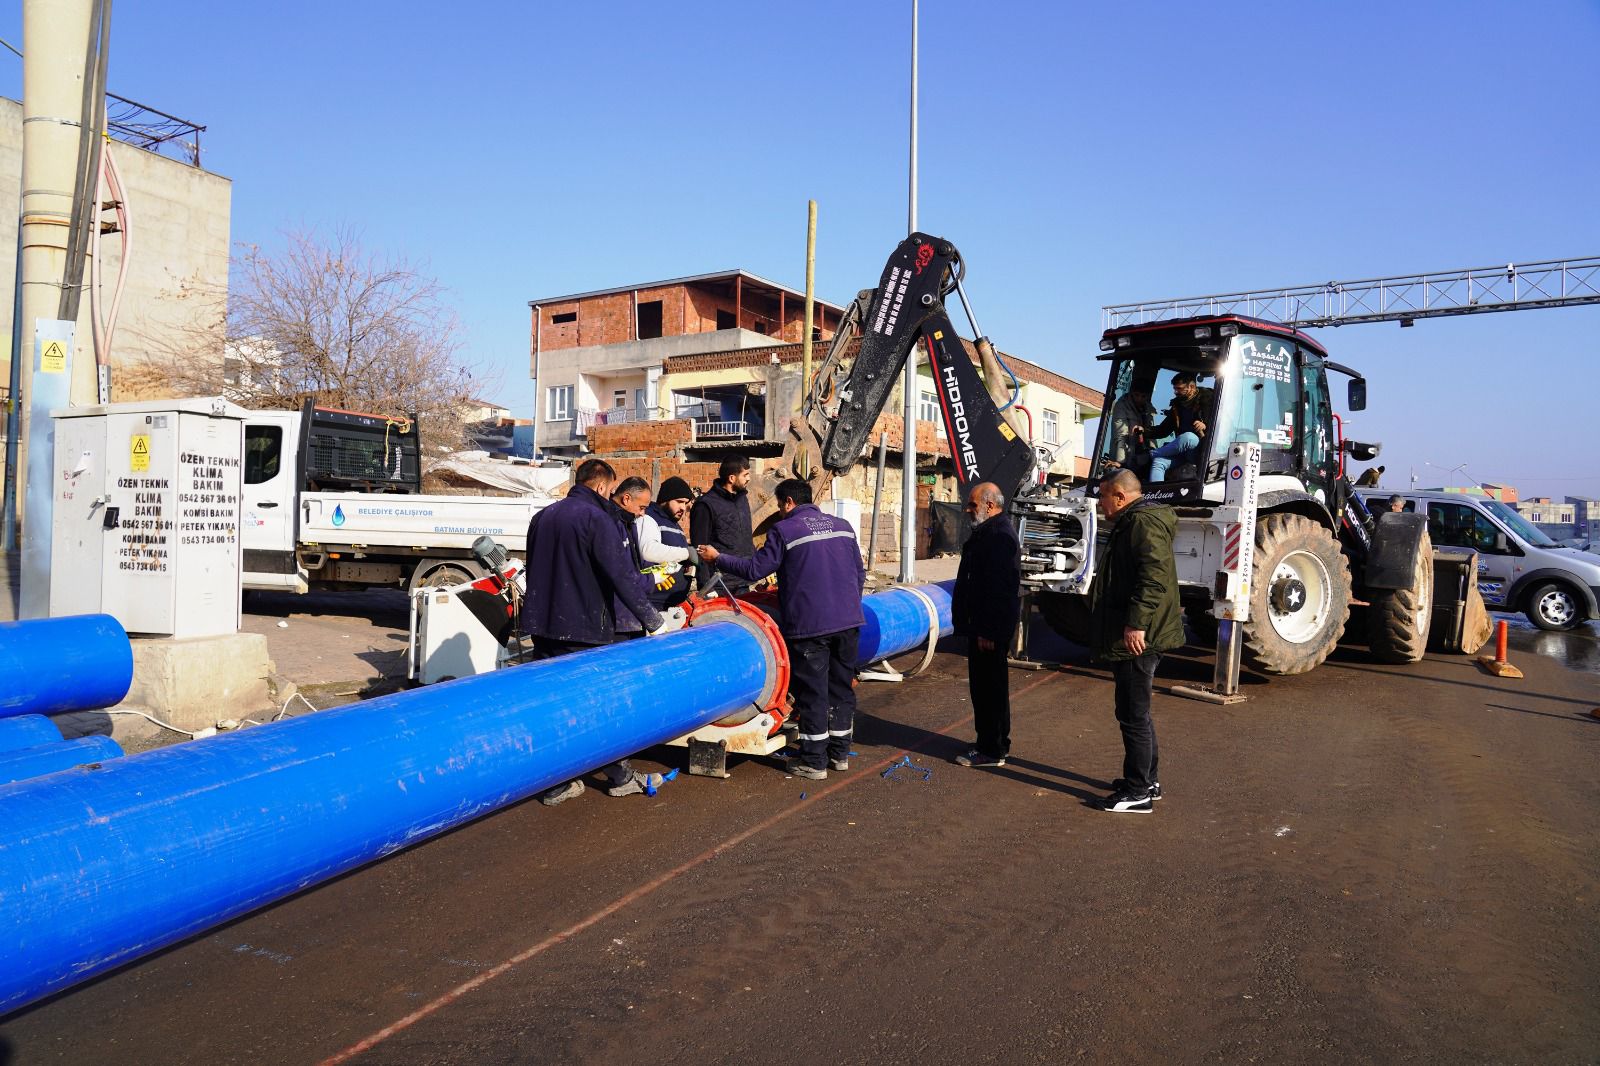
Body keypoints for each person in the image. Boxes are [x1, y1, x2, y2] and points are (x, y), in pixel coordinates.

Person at [520, 459, 677, 805]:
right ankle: (620, 776)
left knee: (554, 706)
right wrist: (655, 622)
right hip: (583, 629)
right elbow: (621, 578)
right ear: (604, 486)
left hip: (544, 627)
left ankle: (556, 782)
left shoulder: (542, 517)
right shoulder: (597, 519)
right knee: (598, 708)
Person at [697, 479, 864, 780]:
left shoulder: (785, 530)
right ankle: (839, 755)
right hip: (850, 621)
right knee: (840, 687)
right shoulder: (843, 526)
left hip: (811, 626)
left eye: (778, 506)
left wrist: (717, 557)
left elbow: (754, 570)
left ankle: (814, 762)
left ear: (788, 503)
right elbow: (858, 573)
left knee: (813, 693)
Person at [1088, 468, 1184, 814]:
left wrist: (1136, 624)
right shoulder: (1135, 521)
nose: (1099, 503)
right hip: (1141, 632)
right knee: (1137, 712)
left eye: (1102, 496)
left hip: (1140, 637)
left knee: (1132, 713)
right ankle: (1147, 781)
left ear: (1120, 496)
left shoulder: (1141, 523)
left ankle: (1138, 792)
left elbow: (1154, 576)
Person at [951, 481, 1021, 768]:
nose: (968, 510)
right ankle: (992, 742)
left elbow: (999, 588)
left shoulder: (998, 536)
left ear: (989, 505)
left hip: (988, 630)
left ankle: (990, 750)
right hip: (984, 626)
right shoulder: (989, 532)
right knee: (989, 687)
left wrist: (988, 630)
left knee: (988, 689)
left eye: (972, 505)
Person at [690, 456, 755, 594]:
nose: (749, 478)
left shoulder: (743, 500)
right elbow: (700, 547)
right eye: (745, 475)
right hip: (719, 584)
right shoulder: (705, 504)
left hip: (743, 580)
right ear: (732, 478)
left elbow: (746, 539)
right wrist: (707, 586)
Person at [635, 476, 696, 612]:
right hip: (653, 602)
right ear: (665, 499)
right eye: (679, 502)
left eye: (685, 503)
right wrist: (687, 553)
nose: (683, 508)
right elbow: (648, 550)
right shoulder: (649, 517)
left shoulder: (674, 524)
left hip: (672, 604)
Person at [1147, 372, 1215, 483]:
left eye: (1179, 388)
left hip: (1201, 451)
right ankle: (1156, 496)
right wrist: (1144, 431)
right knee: (1159, 462)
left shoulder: (1209, 400)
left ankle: (1150, 454)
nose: (1176, 392)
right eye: (1175, 389)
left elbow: (1220, 423)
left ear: (1191, 387)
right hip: (1183, 452)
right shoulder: (1177, 406)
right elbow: (1163, 430)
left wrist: (1205, 425)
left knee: (1189, 437)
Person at [1106, 375, 1156, 471]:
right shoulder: (1121, 406)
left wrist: (1154, 455)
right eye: (1136, 395)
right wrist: (1120, 463)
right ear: (1131, 393)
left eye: (1143, 396)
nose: (1139, 399)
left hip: (1143, 457)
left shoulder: (1149, 408)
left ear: (1147, 396)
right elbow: (1120, 436)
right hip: (1126, 457)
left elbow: (1152, 436)